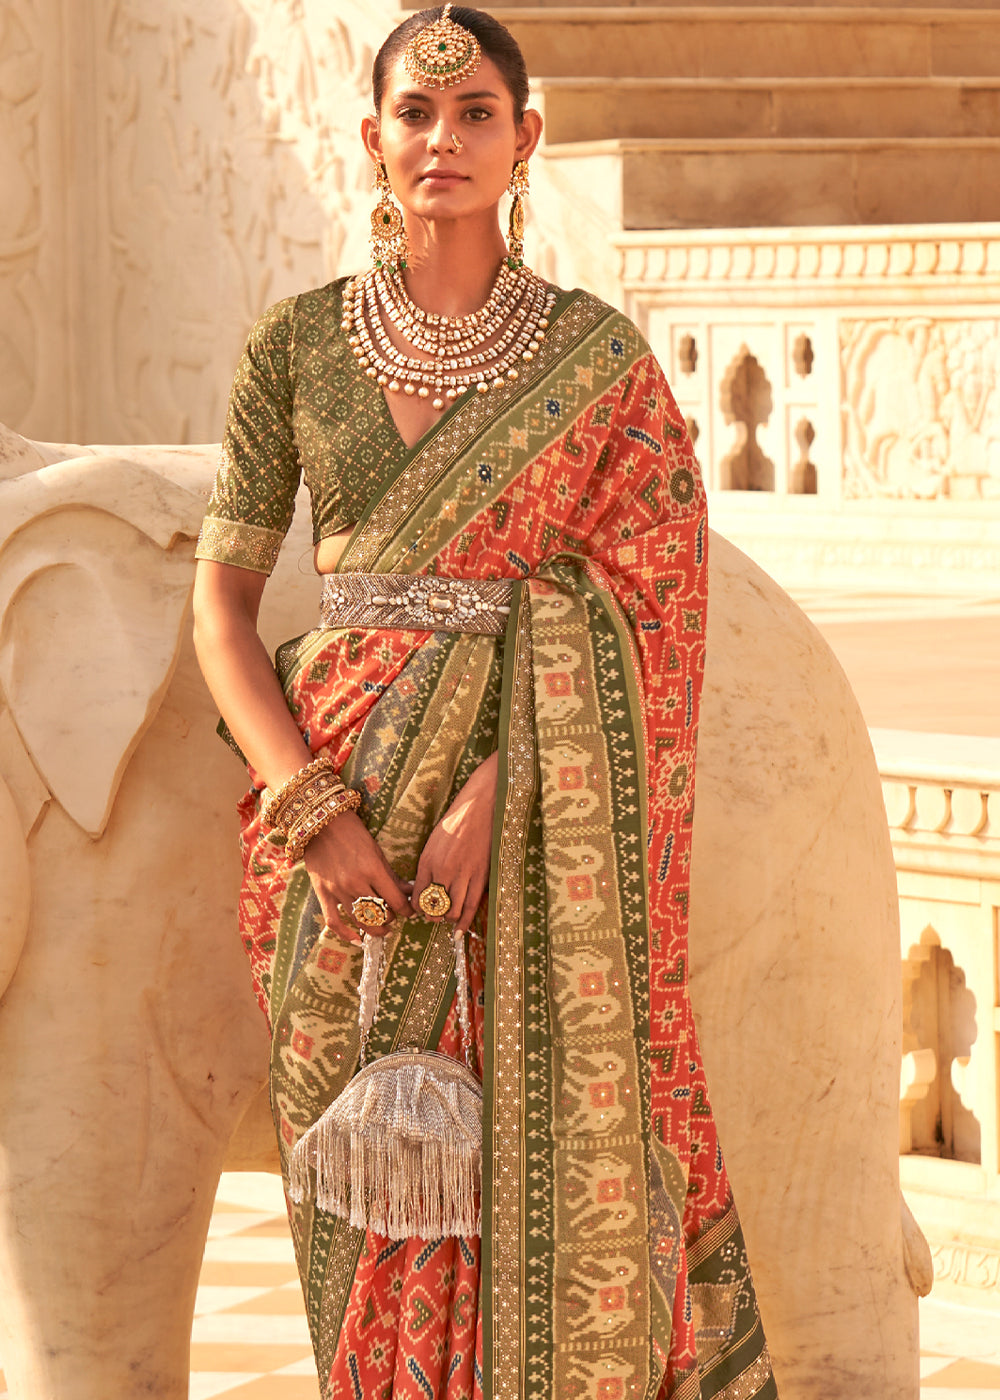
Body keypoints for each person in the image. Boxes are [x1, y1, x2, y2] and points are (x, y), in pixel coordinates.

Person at [192, 7, 778, 1397]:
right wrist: (314, 811)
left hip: (531, 847)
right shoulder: (296, 349)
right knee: (359, 1230)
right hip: (335, 871)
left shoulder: (598, 363)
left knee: (544, 1196)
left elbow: (651, 615)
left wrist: (506, 795)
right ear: (370, 142)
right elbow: (219, 611)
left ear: (528, 138)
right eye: (413, 115)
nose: (440, 142)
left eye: (473, 117)